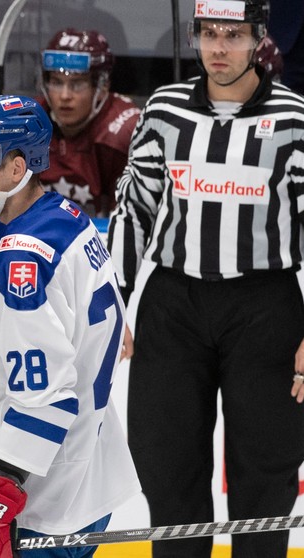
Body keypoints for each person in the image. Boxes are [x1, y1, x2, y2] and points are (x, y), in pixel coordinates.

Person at [107, 0, 304, 555]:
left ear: (259, 37)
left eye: (233, 35)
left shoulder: (293, 119)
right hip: (174, 305)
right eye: (209, 34)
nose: (219, 48)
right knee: (166, 464)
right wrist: (112, 303)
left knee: (265, 474)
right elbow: (135, 210)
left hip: (265, 308)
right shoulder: (165, 109)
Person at [0, 94, 140, 558]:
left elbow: (47, 395)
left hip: (43, 500)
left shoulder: (19, 257)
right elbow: (63, 339)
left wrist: (1, 485)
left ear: (15, 168)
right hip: (86, 474)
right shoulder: (65, 219)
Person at [34, 28, 140, 217]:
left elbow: (132, 225)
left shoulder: (124, 134)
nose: (65, 96)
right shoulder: (28, 123)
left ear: (102, 85)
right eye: (57, 82)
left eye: (77, 84)